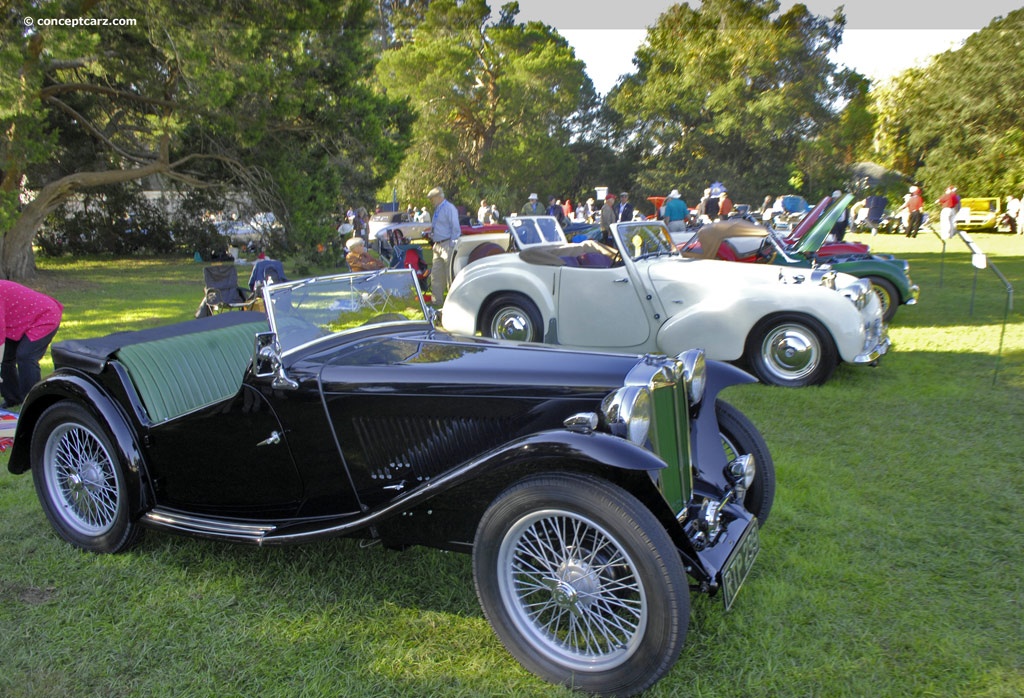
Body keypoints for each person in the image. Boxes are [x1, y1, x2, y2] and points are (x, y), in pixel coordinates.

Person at [0, 280, 63, 409]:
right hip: (19, 321)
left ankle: (34, 402)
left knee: (26, 357)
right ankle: (13, 399)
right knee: (5, 358)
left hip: (45, 315)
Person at [427, 186, 461, 303]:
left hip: (447, 244)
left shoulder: (449, 208)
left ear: (438, 197)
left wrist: (452, 243)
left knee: (449, 274)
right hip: (437, 245)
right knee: (436, 274)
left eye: (432, 199)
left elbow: (455, 227)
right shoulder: (437, 209)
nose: (431, 201)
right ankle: (437, 300)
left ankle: (453, 300)